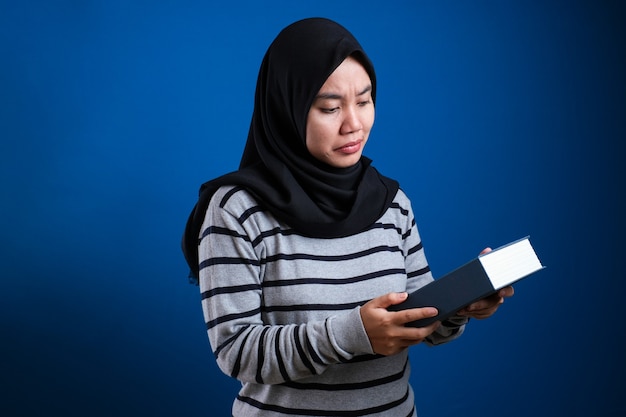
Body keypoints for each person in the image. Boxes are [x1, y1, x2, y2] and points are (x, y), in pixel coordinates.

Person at [182, 17, 513, 416]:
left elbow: (420, 319)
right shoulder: (236, 210)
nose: (354, 124)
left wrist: (461, 306)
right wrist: (354, 334)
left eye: (364, 100)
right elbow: (236, 352)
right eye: (329, 107)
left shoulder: (392, 202)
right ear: (287, 108)